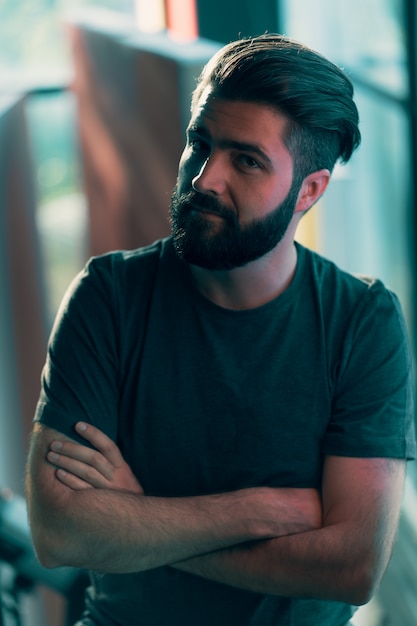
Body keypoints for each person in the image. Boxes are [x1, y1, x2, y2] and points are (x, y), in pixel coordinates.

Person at [26, 34, 416, 626]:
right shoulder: (108, 297)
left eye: (247, 159)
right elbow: (59, 532)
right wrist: (256, 510)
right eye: (199, 145)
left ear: (309, 190)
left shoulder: (362, 322)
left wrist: (137, 519)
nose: (205, 178)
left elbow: (352, 567)